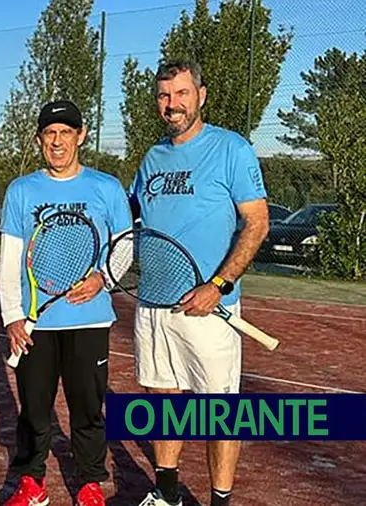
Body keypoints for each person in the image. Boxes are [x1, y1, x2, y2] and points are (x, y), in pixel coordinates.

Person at [128, 60, 269, 506]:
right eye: (165, 96)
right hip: (152, 305)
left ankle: (220, 501)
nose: (173, 105)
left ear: (200, 96)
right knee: (162, 401)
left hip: (209, 308)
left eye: (182, 94)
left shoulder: (231, 149)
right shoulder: (152, 158)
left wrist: (220, 284)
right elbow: (133, 225)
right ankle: (166, 491)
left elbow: (257, 223)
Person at [0, 100, 133, 506]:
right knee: (34, 411)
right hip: (36, 325)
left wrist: (101, 279)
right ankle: (31, 483)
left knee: (87, 409)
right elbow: (10, 258)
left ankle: (90, 483)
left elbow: (125, 246)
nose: (58, 141)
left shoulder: (106, 187)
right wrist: (12, 317)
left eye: (66, 133)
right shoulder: (21, 190)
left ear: (81, 136)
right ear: (40, 140)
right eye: (50, 134)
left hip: (89, 321)